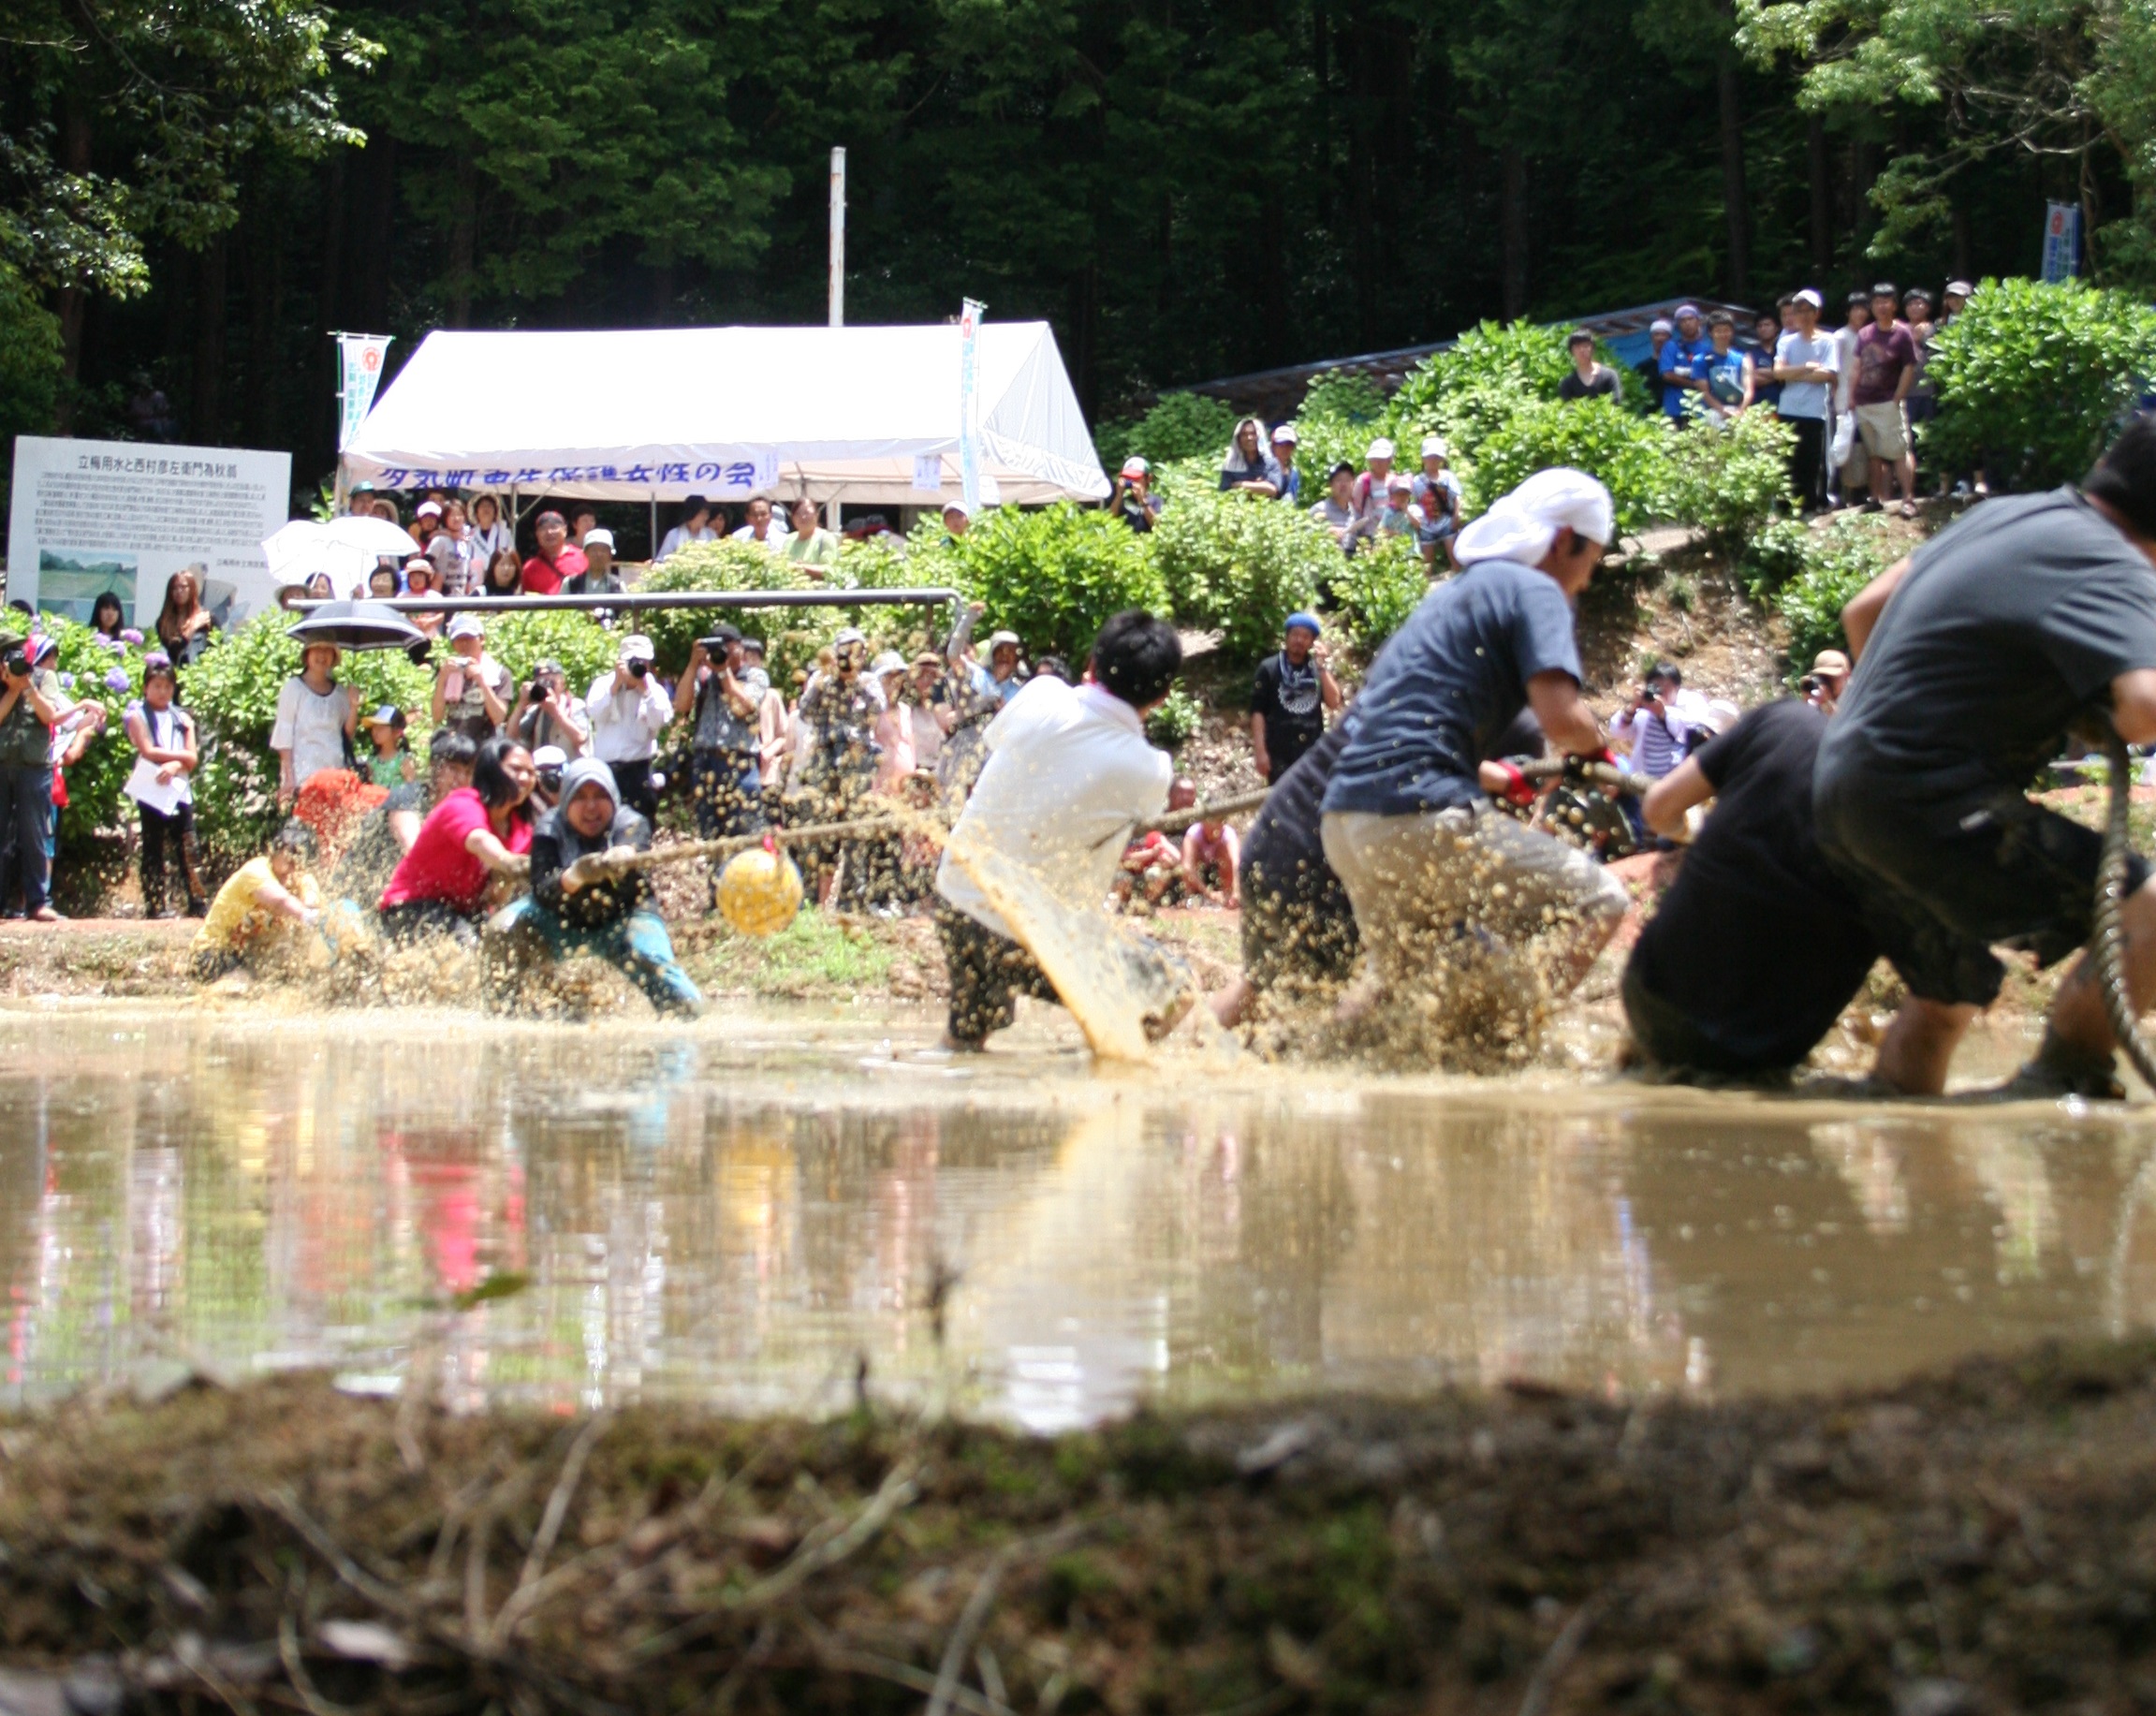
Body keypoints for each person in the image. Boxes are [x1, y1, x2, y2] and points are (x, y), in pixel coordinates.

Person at [1811, 420, 2156, 1098]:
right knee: (2150, 906)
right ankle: (2064, 1082)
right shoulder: (2109, 562)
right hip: (1926, 801)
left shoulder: (2003, 515)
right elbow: (2144, 709)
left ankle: (1903, 1126)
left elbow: (1862, 612)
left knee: (1949, 996)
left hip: (1839, 788)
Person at [1319, 468, 1632, 1049]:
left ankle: (1303, 1061)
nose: (1587, 580)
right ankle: (1518, 1044)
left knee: (1408, 991)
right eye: (1592, 559)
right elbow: (1563, 718)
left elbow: (1402, 725)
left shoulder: (1451, 596)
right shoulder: (1537, 589)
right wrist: (1601, 756)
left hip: (1345, 821)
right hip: (1418, 817)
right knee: (1600, 900)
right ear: (1565, 541)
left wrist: (1492, 776)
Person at [932, 609, 1190, 1049]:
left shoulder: (1041, 695)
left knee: (967, 1041)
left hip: (956, 897)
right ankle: (1104, 1069)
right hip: (1034, 937)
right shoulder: (1151, 769)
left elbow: (998, 745)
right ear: (1164, 695)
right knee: (1173, 987)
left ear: (1091, 663)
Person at [1622, 697, 1878, 1078]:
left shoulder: (1785, 719)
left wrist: (1688, 832)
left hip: (1654, 993)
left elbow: (1657, 808)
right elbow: (1931, 1026)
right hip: (1760, 1055)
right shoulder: (1933, 827)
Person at [485, 757, 704, 1017]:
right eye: (580, 796)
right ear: (566, 801)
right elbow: (542, 888)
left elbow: (634, 844)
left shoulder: (631, 822)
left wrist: (623, 855)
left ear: (613, 797)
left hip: (624, 920)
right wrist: (575, 877)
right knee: (501, 928)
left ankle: (685, 1020)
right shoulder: (548, 828)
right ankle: (506, 1011)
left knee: (683, 1000)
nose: (590, 807)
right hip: (560, 921)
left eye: (599, 795)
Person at [378, 735, 535, 944]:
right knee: (467, 947)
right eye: (515, 769)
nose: (524, 778)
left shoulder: (522, 831)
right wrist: (506, 860)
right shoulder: (462, 803)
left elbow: (494, 897)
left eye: (531, 773)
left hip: (465, 911)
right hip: (411, 905)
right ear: (492, 769)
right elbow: (478, 839)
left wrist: (504, 880)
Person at [328, 728, 477, 910]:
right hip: (353, 898)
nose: (460, 779)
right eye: (453, 769)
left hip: (397, 899)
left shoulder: (462, 814)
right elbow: (413, 849)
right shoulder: (408, 797)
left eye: (468, 772)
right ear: (434, 766)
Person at [795, 627, 885, 903]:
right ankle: (814, 901)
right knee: (821, 831)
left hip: (857, 762)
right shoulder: (821, 679)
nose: (850, 657)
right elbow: (805, 711)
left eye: (856, 651)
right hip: (825, 761)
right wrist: (826, 680)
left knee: (856, 831)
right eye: (845, 651)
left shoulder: (869, 680)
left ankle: (852, 901)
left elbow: (878, 708)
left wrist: (854, 682)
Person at [676, 623, 769, 846]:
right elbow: (681, 705)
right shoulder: (704, 677)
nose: (724, 650)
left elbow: (746, 705)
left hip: (741, 763)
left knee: (747, 833)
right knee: (712, 837)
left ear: (740, 647)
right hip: (706, 762)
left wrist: (723, 672)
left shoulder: (755, 675)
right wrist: (693, 665)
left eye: (728, 645)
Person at [191, 822, 322, 981]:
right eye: (290, 852)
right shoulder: (256, 871)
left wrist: (317, 914)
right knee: (242, 983)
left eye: (300, 856)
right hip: (210, 952)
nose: (294, 860)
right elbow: (280, 902)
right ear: (276, 850)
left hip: (246, 956)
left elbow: (313, 901)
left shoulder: (301, 879)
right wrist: (306, 915)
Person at [0, 632, 62, 922]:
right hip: (2, 765)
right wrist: (10, 690)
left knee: (35, 834)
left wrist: (27, 688)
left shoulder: (43, 677)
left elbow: (49, 715)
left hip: (34, 767)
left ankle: (38, 902)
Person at [584, 634, 672, 819]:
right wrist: (615, 685)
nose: (638, 666)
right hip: (606, 770)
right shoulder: (604, 684)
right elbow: (593, 712)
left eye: (643, 662)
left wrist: (645, 691)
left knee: (640, 825)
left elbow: (660, 721)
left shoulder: (654, 690)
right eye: (633, 661)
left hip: (637, 771)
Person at [1852, 281, 1920, 514]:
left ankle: (1908, 499)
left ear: (1894, 305)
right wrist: (1852, 396)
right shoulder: (1864, 333)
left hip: (1888, 401)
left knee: (1900, 452)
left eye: (1886, 301)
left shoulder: (1902, 333)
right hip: (1864, 402)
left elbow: (1909, 367)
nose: (1881, 306)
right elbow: (1857, 366)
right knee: (1873, 454)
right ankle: (1875, 497)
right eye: (1877, 302)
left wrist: (1898, 397)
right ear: (1871, 306)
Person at [1251, 612, 1342, 785]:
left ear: (1312, 642)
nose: (1299, 640)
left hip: (1312, 750)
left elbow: (1334, 702)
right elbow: (1257, 712)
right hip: (1279, 751)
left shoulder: (1317, 669)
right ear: (1287, 637)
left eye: (1305, 636)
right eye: (1295, 635)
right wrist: (1260, 751)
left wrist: (1323, 667)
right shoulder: (1269, 668)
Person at [1773, 288, 1839, 512]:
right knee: (1787, 461)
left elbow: (1828, 374)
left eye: (1807, 310)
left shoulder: (1828, 340)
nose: (1803, 315)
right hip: (1788, 408)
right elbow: (1778, 373)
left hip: (1814, 410)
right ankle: (1785, 509)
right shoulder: (1786, 342)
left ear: (1817, 313)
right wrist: (1807, 368)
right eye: (1798, 310)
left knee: (1811, 462)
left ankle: (1810, 507)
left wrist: (1794, 373)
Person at [271, 641, 357, 809]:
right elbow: (284, 735)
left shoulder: (339, 692)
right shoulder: (294, 688)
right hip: (305, 776)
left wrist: (354, 706)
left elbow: (348, 733)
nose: (322, 655)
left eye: (327, 650)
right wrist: (288, 778)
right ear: (307, 654)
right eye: (317, 649)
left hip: (335, 774)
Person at [431, 613, 511, 742]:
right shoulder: (449, 672)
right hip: (456, 745)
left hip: (486, 744)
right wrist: (442, 679)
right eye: (459, 639)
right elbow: (437, 717)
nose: (464, 644)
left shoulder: (499, 673)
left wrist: (481, 681)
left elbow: (499, 717)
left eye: (469, 638)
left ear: (482, 639)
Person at [1610, 663, 1689, 785]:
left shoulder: (1687, 706)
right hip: (1642, 780)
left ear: (1677, 689)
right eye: (1656, 687)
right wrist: (1634, 706)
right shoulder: (1643, 713)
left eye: (1666, 687)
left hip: (1673, 785)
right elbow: (1618, 732)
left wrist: (1663, 712)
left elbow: (1687, 729)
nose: (1661, 692)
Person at [1831, 289, 1872, 506]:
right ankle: (1840, 493)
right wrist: (1836, 397)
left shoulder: (1870, 334)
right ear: (1848, 312)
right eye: (1855, 309)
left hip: (1867, 399)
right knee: (1843, 445)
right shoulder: (1840, 337)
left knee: (1863, 446)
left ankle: (1860, 491)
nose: (1859, 313)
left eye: (1863, 309)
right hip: (1844, 399)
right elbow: (1833, 371)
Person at [511, 659, 591, 757]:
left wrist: (555, 711)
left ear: (562, 683)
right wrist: (521, 703)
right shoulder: (535, 711)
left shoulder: (575, 706)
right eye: (541, 682)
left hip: (568, 767)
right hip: (542, 768)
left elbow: (581, 739)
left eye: (551, 683)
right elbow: (511, 737)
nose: (546, 687)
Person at [1695, 313, 1754, 424]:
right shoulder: (1700, 360)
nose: (1723, 334)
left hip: (1739, 411)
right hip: (1712, 413)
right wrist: (1722, 410)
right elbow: (1704, 392)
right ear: (1710, 333)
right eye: (1718, 331)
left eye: (1726, 330)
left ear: (1732, 332)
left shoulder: (1743, 359)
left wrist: (1740, 410)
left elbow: (1749, 390)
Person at [154, 565, 217, 666]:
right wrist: (192, 628)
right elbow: (174, 652)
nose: (179, 591)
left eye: (183, 587)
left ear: (192, 589)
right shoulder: (163, 622)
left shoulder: (206, 618)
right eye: (174, 588)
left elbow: (218, 649)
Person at [1658, 304, 1710, 419]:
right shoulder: (1670, 346)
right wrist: (1694, 384)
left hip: (1701, 411)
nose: (1687, 323)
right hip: (1675, 410)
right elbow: (1667, 375)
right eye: (1683, 320)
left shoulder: (1708, 349)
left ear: (1698, 322)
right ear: (1678, 325)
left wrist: (1680, 373)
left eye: (1691, 319)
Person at [1181, 808, 1239, 907]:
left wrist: (1236, 891)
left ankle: (1228, 896)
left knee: (1226, 854)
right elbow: (1187, 867)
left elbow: (1237, 863)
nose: (1214, 827)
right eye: (1211, 823)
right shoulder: (1194, 833)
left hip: (1219, 874)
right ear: (1203, 823)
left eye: (1218, 822)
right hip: (1199, 876)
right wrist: (1208, 893)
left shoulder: (1229, 834)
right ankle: (1190, 897)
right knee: (1185, 867)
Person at [521, 509, 587, 594]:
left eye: (554, 527)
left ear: (565, 530)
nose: (549, 532)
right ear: (537, 534)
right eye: (543, 528)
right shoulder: (530, 568)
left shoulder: (582, 557)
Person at [1220, 418, 1283, 496]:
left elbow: (1273, 490)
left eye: (1253, 434)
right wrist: (1260, 486)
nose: (1249, 438)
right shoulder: (1230, 465)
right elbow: (1225, 492)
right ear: (1238, 439)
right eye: (1244, 434)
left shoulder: (1271, 463)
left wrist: (1239, 485)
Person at [1310, 461, 1362, 550]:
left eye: (1347, 480)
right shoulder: (1320, 509)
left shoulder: (1356, 515)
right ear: (1331, 485)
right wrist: (1326, 532)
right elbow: (1305, 534)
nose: (1343, 485)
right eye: (1339, 480)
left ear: (1353, 484)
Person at [1558, 330, 1621, 403]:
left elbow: (1616, 400)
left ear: (1592, 349)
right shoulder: (1567, 383)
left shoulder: (1609, 375)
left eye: (1585, 346)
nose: (1581, 350)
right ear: (1571, 351)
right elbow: (1567, 407)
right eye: (1577, 347)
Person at [362, 706, 415, 787]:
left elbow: (411, 789)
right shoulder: (372, 762)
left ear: (396, 732)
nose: (375, 731)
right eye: (374, 727)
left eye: (381, 727)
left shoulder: (404, 761)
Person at [784, 499, 841, 570]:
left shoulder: (826, 539)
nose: (803, 517)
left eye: (807, 513)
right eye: (798, 514)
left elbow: (830, 570)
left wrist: (802, 567)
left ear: (817, 515)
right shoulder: (789, 539)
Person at [467, 495, 515, 580]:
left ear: (495, 512)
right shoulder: (469, 534)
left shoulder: (505, 533)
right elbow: (464, 555)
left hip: (499, 579)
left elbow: (512, 557)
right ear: (476, 512)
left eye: (489, 506)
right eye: (482, 506)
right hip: (475, 579)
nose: (486, 509)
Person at [656, 496, 718, 562]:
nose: (706, 517)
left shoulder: (711, 535)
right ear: (692, 513)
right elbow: (661, 561)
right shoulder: (674, 535)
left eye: (707, 514)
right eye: (703, 513)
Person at [1352, 438, 1395, 524]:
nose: (1378, 463)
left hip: (1392, 534)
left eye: (1382, 459)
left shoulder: (1396, 481)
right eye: (1375, 459)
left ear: (1389, 460)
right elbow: (1355, 510)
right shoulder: (1363, 481)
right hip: (1368, 534)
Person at [569, 529, 624, 596]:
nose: (598, 554)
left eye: (603, 550)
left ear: (610, 555)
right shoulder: (571, 583)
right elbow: (561, 606)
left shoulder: (617, 585)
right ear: (585, 553)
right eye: (594, 550)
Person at [1114, 458, 1163, 533]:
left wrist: (1143, 501)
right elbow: (1109, 520)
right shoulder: (1122, 501)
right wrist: (1119, 495)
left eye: (1136, 478)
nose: (1132, 481)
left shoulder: (1156, 501)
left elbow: (1159, 527)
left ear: (1149, 478)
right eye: (1128, 478)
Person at [1751, 311, 1785, 411]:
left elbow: (1791, 378)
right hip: (1757, 407)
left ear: (1776, 327)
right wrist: (1781, 375)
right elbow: (1752, 379)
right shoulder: (1751, 354)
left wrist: (1764, 373)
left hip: (1783, 406)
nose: (1763, 329)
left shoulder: (1783, 351)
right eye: (1759, 326)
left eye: (1767, 325)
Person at [401, 558, 446, 636]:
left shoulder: (434, 596)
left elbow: (441, 615)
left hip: (430, 635)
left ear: (427, 578)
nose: (416, 579)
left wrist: (430, 621)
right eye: (412, 576)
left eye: (420, 576)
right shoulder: (402, 597)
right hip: (409, 634)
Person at [1635, 317, 1673, 400]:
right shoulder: (1643, 367)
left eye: (1663, 334)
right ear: (1651, 338)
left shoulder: (1677, 362)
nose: (1660, 338)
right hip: (1651, 411)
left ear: (1670, 338)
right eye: (1656, 334)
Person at [984, 631, 1027, 703]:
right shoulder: (979, 679)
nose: (1005, 655)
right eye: (1000, 650)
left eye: (1010, 650)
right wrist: (997, 681)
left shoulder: (1019, 691)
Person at [1270, 424, 1302, 505]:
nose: (1285, 449)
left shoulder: (1294, 472)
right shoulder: (1265, 469)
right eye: (1281, 445)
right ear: (1273, 446)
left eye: (1289, 445)